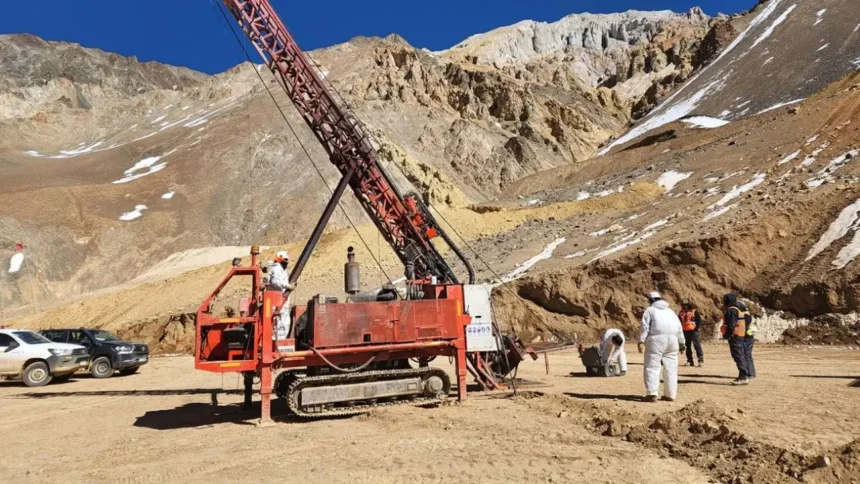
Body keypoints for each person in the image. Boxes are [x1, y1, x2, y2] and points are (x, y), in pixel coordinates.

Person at [639, 291, 686, 402]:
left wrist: (641, 341)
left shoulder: (650, 310)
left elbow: (644, 327)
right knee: (671, 368)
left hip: (656, 340)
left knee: (652, 366)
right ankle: (670, 395)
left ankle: (652, 394)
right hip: (673, 341)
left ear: (650, 300)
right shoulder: (671, 312)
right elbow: (679, 328)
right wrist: (682, 343)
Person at [721, 293, 749, 385]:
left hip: (735, 336)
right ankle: (743, 375)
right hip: (739, 335)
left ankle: (743, 376)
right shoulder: (737, 308)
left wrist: (727, 335)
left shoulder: (731, 310)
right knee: (739, 355)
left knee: (738, 355)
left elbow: (731, 325)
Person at [269, 251, 296, 340]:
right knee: (280, 323)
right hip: (278, 301)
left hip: (281, 300)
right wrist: (288, 285)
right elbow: (275, 282)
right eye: (285, 260)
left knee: (283, 323)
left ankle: (280, 342)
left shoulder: (281, 269)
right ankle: (277, 343)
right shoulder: (277, 268)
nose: (286, 262)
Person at [678, 301, 704, 367]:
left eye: (686, 305)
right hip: (685, 331)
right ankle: (689, 361)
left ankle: (700, 360)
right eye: (683, 305)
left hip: (694, 331)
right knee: (687, 347)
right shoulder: (681, 313)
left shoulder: (694, 312)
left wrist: (696, 328)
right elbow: (678, 321)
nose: (684, 306)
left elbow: (699, 320)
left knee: (697, 346)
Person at [737, 299, 757, 379]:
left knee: (746, 355)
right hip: (747, 337)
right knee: (746, 355)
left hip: (747, 338)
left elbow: (743, 327)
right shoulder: (746, 315)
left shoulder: (745, 316)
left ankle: (751, 373)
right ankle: (750, 372)